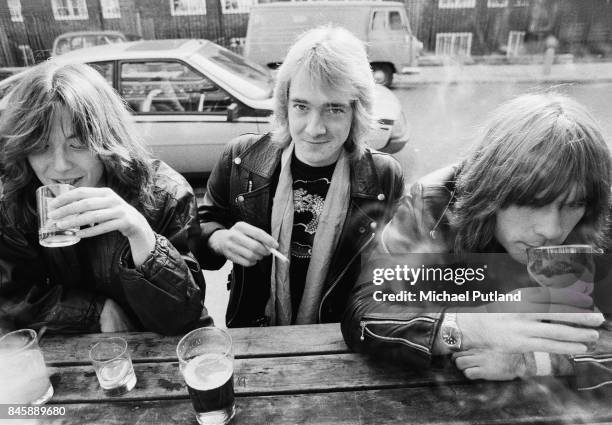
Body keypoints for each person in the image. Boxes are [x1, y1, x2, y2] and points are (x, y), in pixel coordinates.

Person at [342, 92, 612, 388]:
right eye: (532, 202)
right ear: (492, 188)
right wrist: (464, 327)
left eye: (572, 204)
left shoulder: (600, 216)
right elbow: (366, 311)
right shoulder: (433, 205)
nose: (551, 229)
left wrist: (533, 361)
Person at [197, 26, 405, 327]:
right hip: (254, 333)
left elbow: (398, 275)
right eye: (302, 106)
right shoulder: (241, 158)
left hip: (340, 337)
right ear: (285, 104)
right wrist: (219, 238)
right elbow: (202, 227)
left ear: (356, 111)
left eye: (334, 109)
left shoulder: (384, 177)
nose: (314, 128)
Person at [0, 62, 209, 335]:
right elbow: (12, 296)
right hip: (77, 353)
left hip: (162, 348)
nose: (60, 166)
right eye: (41, 147)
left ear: (106, 140)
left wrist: (142, 237)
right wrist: (94, 311)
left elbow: (183, 316)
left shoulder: (163, 193)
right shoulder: (18, 199)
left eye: (78, 144)